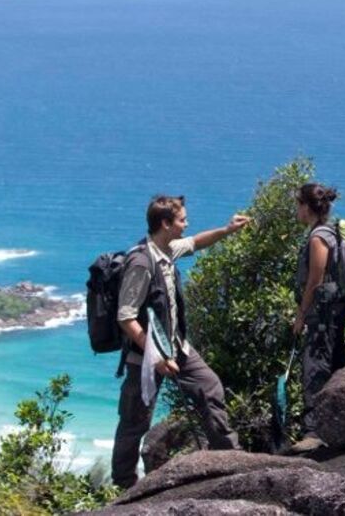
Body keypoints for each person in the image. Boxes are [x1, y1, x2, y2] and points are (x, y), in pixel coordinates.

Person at [112, 195, 250, 489]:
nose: (187, 223)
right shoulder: (141, 261)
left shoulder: (167, 250)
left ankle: (229, 457)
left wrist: (227, 230)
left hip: (177, 347)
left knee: (209, 385)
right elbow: (125, 317)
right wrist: (156, 357)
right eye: (182, 219)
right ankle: (124, 485)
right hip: (146, 358)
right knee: (135, 420)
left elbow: (197, 242)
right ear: (165, 223)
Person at [289, 182, 345, 454]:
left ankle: (314, 432)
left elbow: (315, 279)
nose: (296, 211)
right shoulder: (329, 230)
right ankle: (335, 426)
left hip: (323, 314)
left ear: (307, 207)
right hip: (334, 310)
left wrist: (301, 315)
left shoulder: (318, 237)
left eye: (298, 205)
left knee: (315, 368)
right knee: (333, 364)